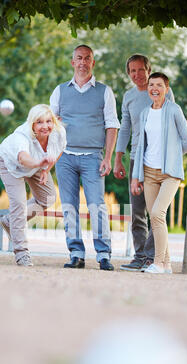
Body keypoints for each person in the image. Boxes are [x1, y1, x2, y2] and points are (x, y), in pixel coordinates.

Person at [50, 45, 120, 271]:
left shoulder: (104, 91)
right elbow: (50, 126)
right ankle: (76, 253)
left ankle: (103, 254)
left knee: (96, 206)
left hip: (93, 157)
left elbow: (112, 126)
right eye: (78, 58)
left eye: (87, 58)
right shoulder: (60, 91)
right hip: (65, 157)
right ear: (72, 62)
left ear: (93, 63)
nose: (82, 62)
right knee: (69, 206)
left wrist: (108, 158)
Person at [113, 54, 174, 272]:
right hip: (136, 158)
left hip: (159, 160)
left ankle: (152, 257)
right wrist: (118, 158)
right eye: (132, 71)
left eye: (140, 70)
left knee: (156, 211)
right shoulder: (129, 96)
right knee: (137, 211)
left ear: (149, 70)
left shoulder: (160, 92)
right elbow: (125, 128)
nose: (137, 75)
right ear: (128, 73)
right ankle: (140, 257)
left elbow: (172, 123)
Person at [131, 72, 187, 274]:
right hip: (148, 173)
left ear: (166, 88)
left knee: (158, 213)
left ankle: (157, 262)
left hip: (169, 174)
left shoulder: (174, 110)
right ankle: (166, 264)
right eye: (151, 85)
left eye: (159, 85)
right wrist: (136, 176)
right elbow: (141, 145)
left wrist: (172, 157)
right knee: (155, 218)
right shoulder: (144, 113)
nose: (154, 88)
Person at [0, 104, 66, 266]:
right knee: (19, 205)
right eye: (39, 122)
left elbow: (59, 149)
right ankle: (21, 253)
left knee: (48, 198)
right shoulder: (22, 136)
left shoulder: (59, 132)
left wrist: (46, 169)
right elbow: (23, 158)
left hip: (38, 163)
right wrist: (38, 163)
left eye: (49, 121)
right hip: (11, 164)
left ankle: (9, 221)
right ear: (32, 124)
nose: (45, 126)